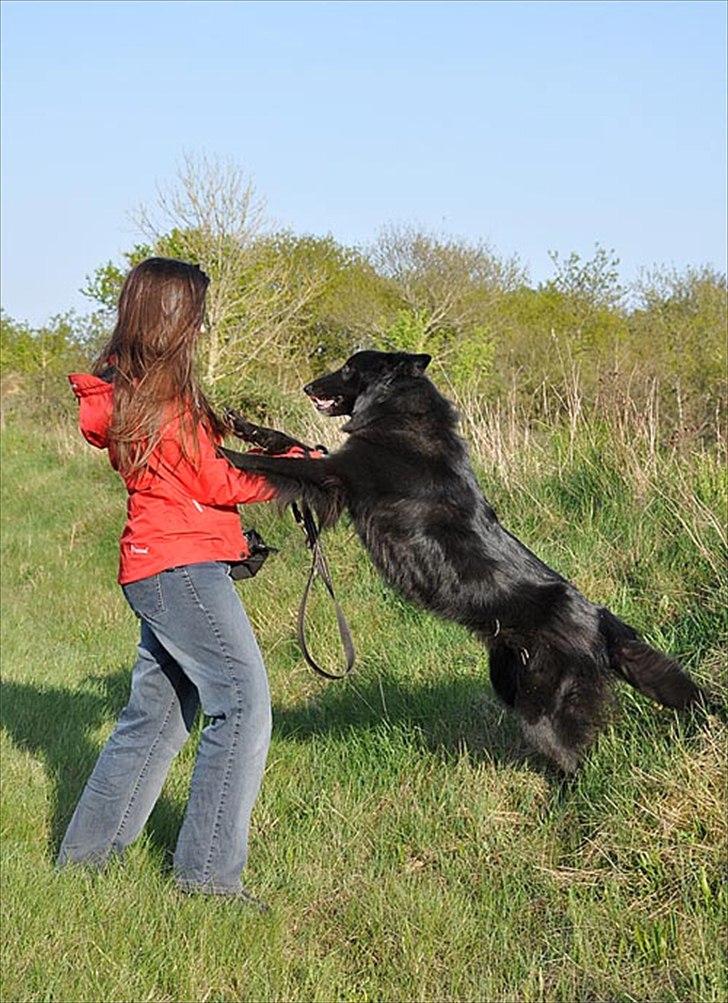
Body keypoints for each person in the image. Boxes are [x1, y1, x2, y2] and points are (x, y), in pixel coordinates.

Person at [57, 257, 295, 908]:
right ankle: (209, 883)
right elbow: (218, 478)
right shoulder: (158, 398)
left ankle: (82, 869)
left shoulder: (142, 391)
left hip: (163, 566)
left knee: (156, 720)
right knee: (242, 702)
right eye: (195, 313)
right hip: (178, 570)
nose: (201, 326)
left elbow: (206, 471)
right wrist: (305, 474)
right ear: (168, 316)